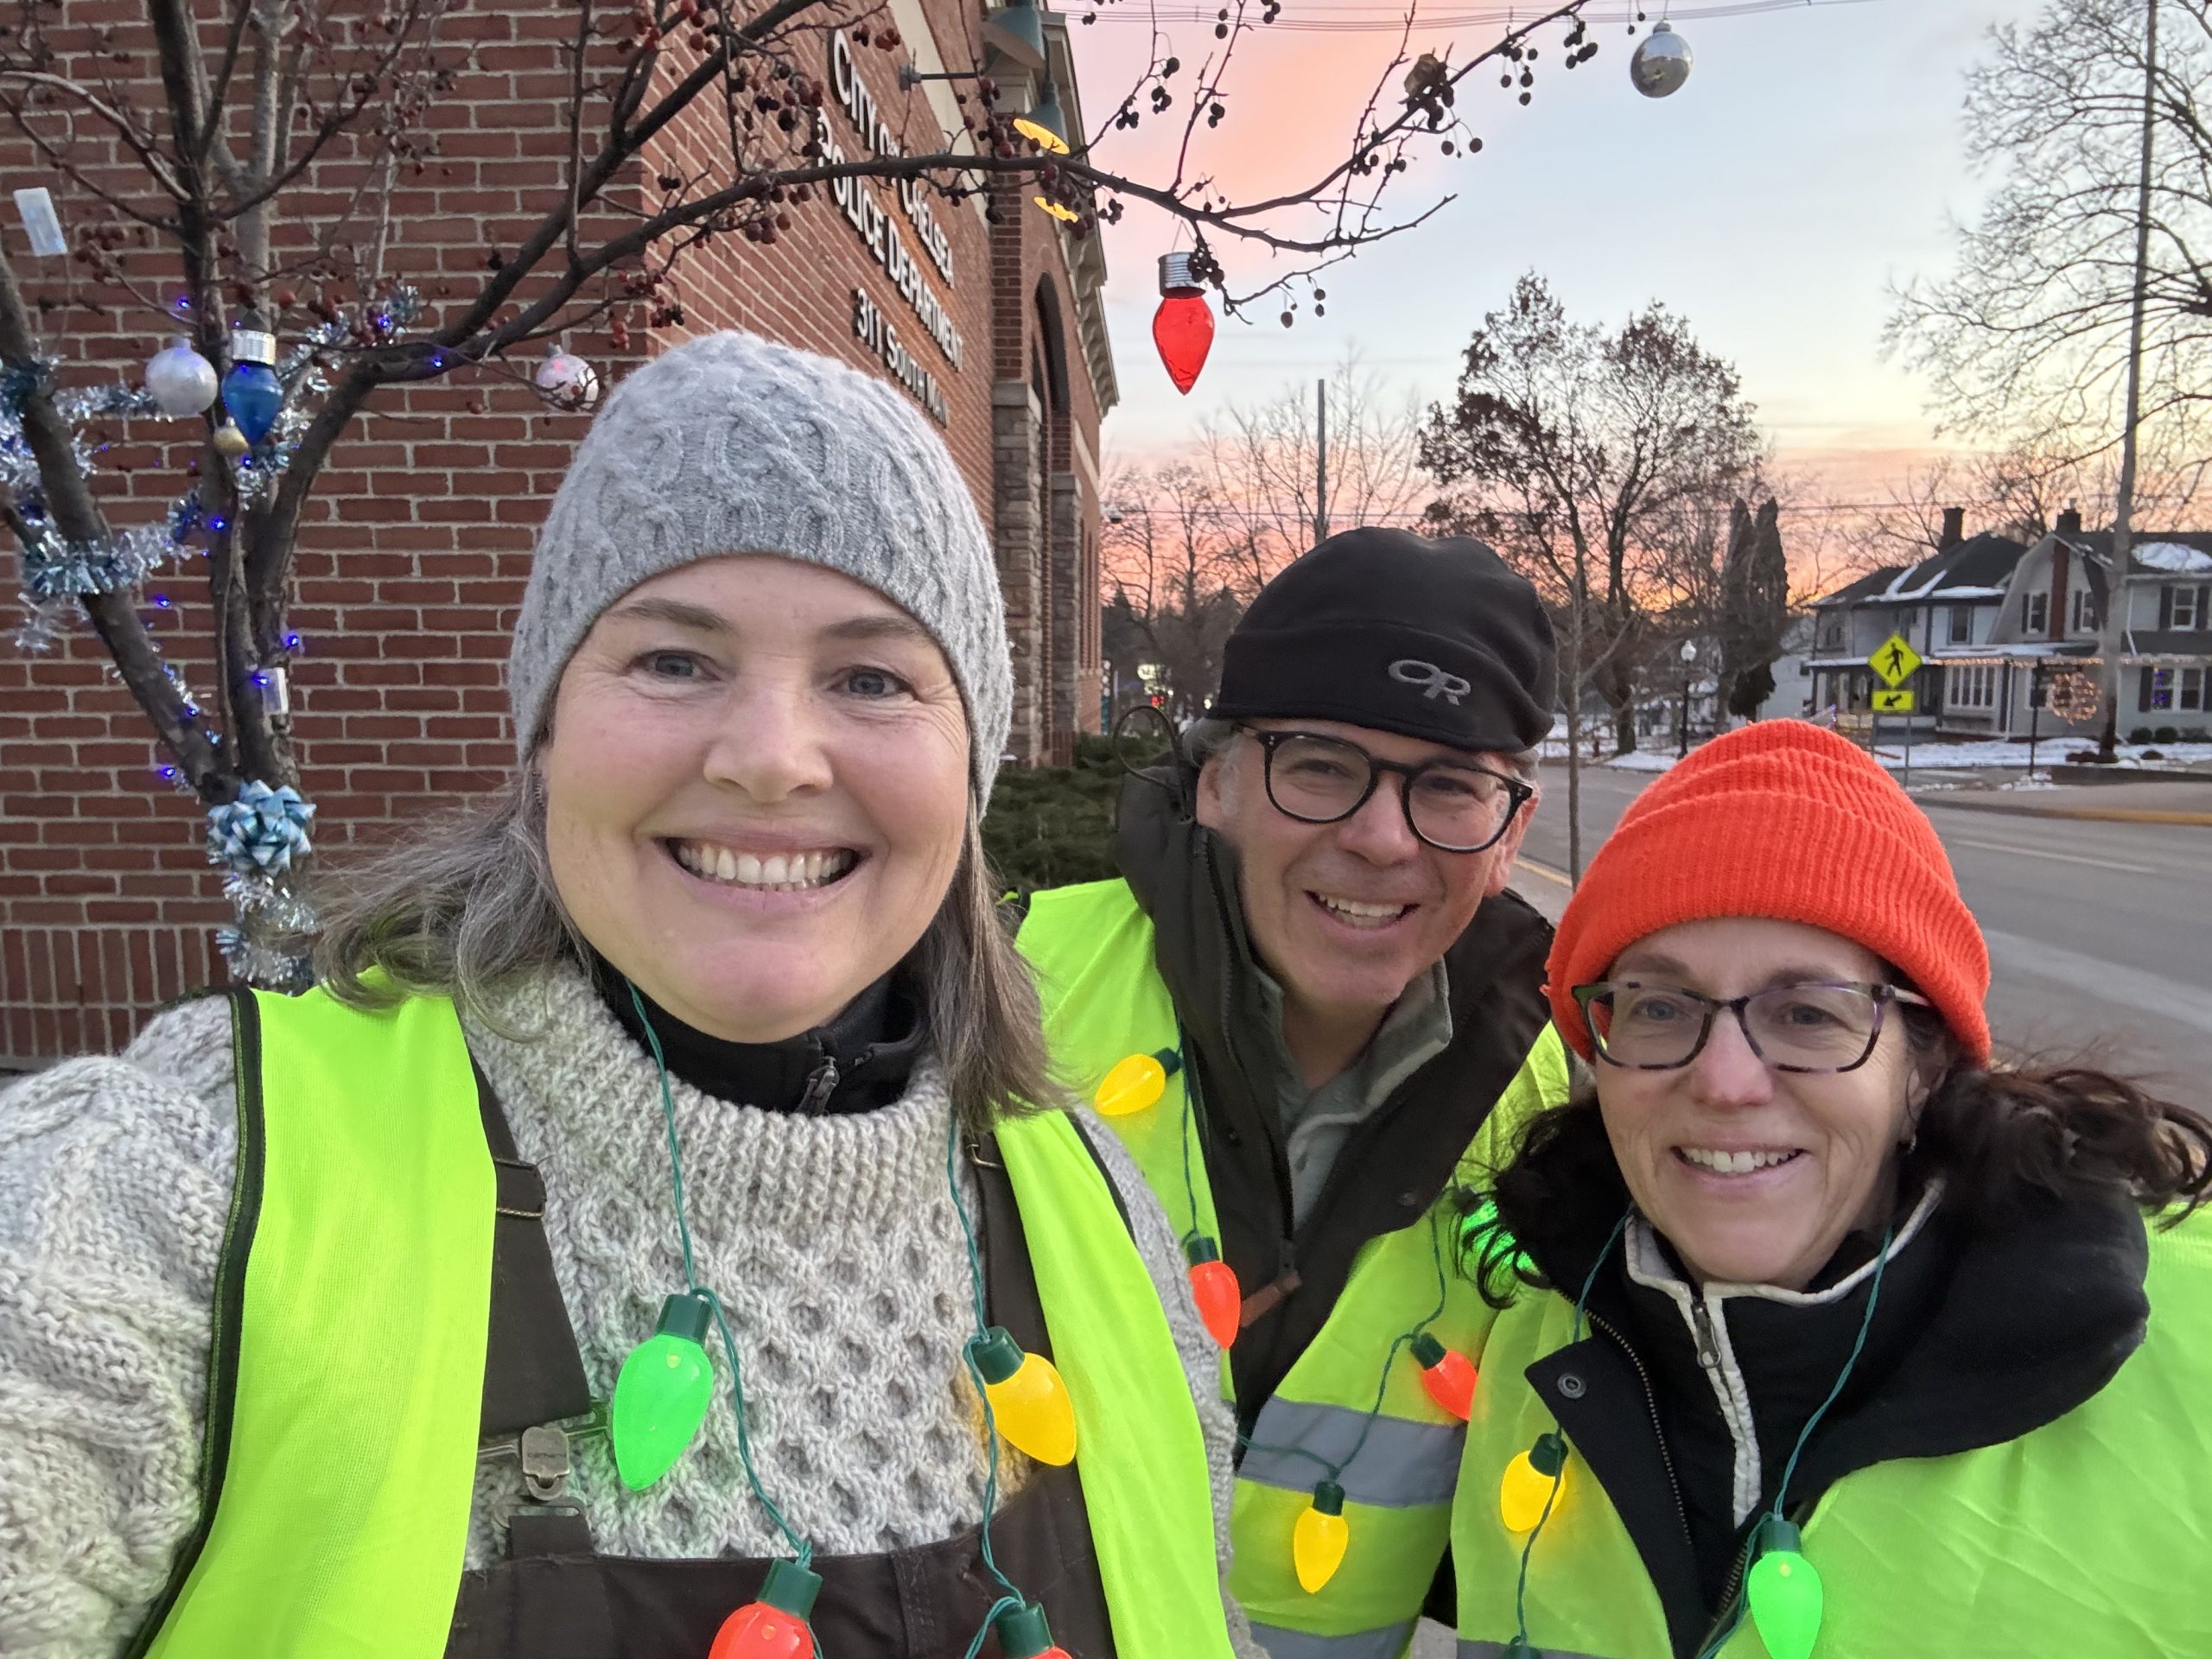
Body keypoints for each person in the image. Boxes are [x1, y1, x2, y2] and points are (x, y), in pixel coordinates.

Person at [0, 332, 1262, 1659]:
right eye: (673, 659)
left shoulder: (1098, 1211)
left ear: (969, 769)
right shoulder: (188, 1177)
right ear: (548, 733)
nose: (771, 759)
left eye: (873, 677)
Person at [1452, 721, 2212, 1658]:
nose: (1724, 1082)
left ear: (1923, 1068)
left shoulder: (2188, 1356)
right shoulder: (1541, 1346)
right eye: (1658, 1006)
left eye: (1807, 1013)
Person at [1016, 528, 1573, 1658]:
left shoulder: (1565, 1102)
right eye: (1321, 764)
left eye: (1451, 787)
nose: (1379, 839)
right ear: (1215, 780)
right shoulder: (1008, 998)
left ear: (1512, 830)